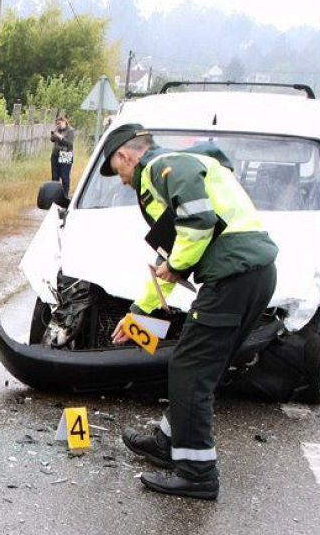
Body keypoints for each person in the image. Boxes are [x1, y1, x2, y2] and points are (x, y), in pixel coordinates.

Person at [99, 123, 279, 500]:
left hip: (234, 278)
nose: (123, 181)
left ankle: (197, 472)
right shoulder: (174, 172)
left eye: (119, 172)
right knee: (195, 366)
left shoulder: (167, 168)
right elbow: (168, 259)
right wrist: (138, 315)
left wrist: (179, 266)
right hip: (247, 277)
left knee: (191, 371)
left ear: (125, 156)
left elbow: (197, 227)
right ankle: (169, 443)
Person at [48, 115, 77, 193]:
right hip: (55, 154)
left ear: (64, 122)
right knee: (55, 177)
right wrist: (54, 133)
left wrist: (60, 137)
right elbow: (52, 139)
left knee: (65, 177)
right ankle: (54, 195)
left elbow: (70, 144)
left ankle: (65, 195)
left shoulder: (70, 130)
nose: (58, 125)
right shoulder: (57, 129)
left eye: (59, 123)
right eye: (57, 124)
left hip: (66, 154)